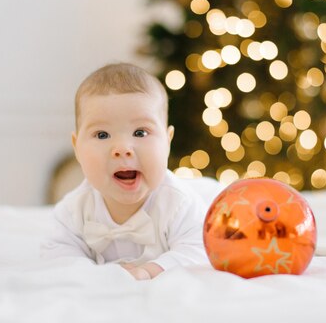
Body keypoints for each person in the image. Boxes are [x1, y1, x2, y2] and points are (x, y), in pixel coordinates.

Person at [41, 62, 211, 280]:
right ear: (77, 147)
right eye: (102, 135)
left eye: (140, 132)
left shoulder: (179, 204)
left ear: (167, 141)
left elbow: (199, 250)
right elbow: (57, 254)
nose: (122, 149)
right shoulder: (74, 210)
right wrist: (93, 273)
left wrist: (150, 270)